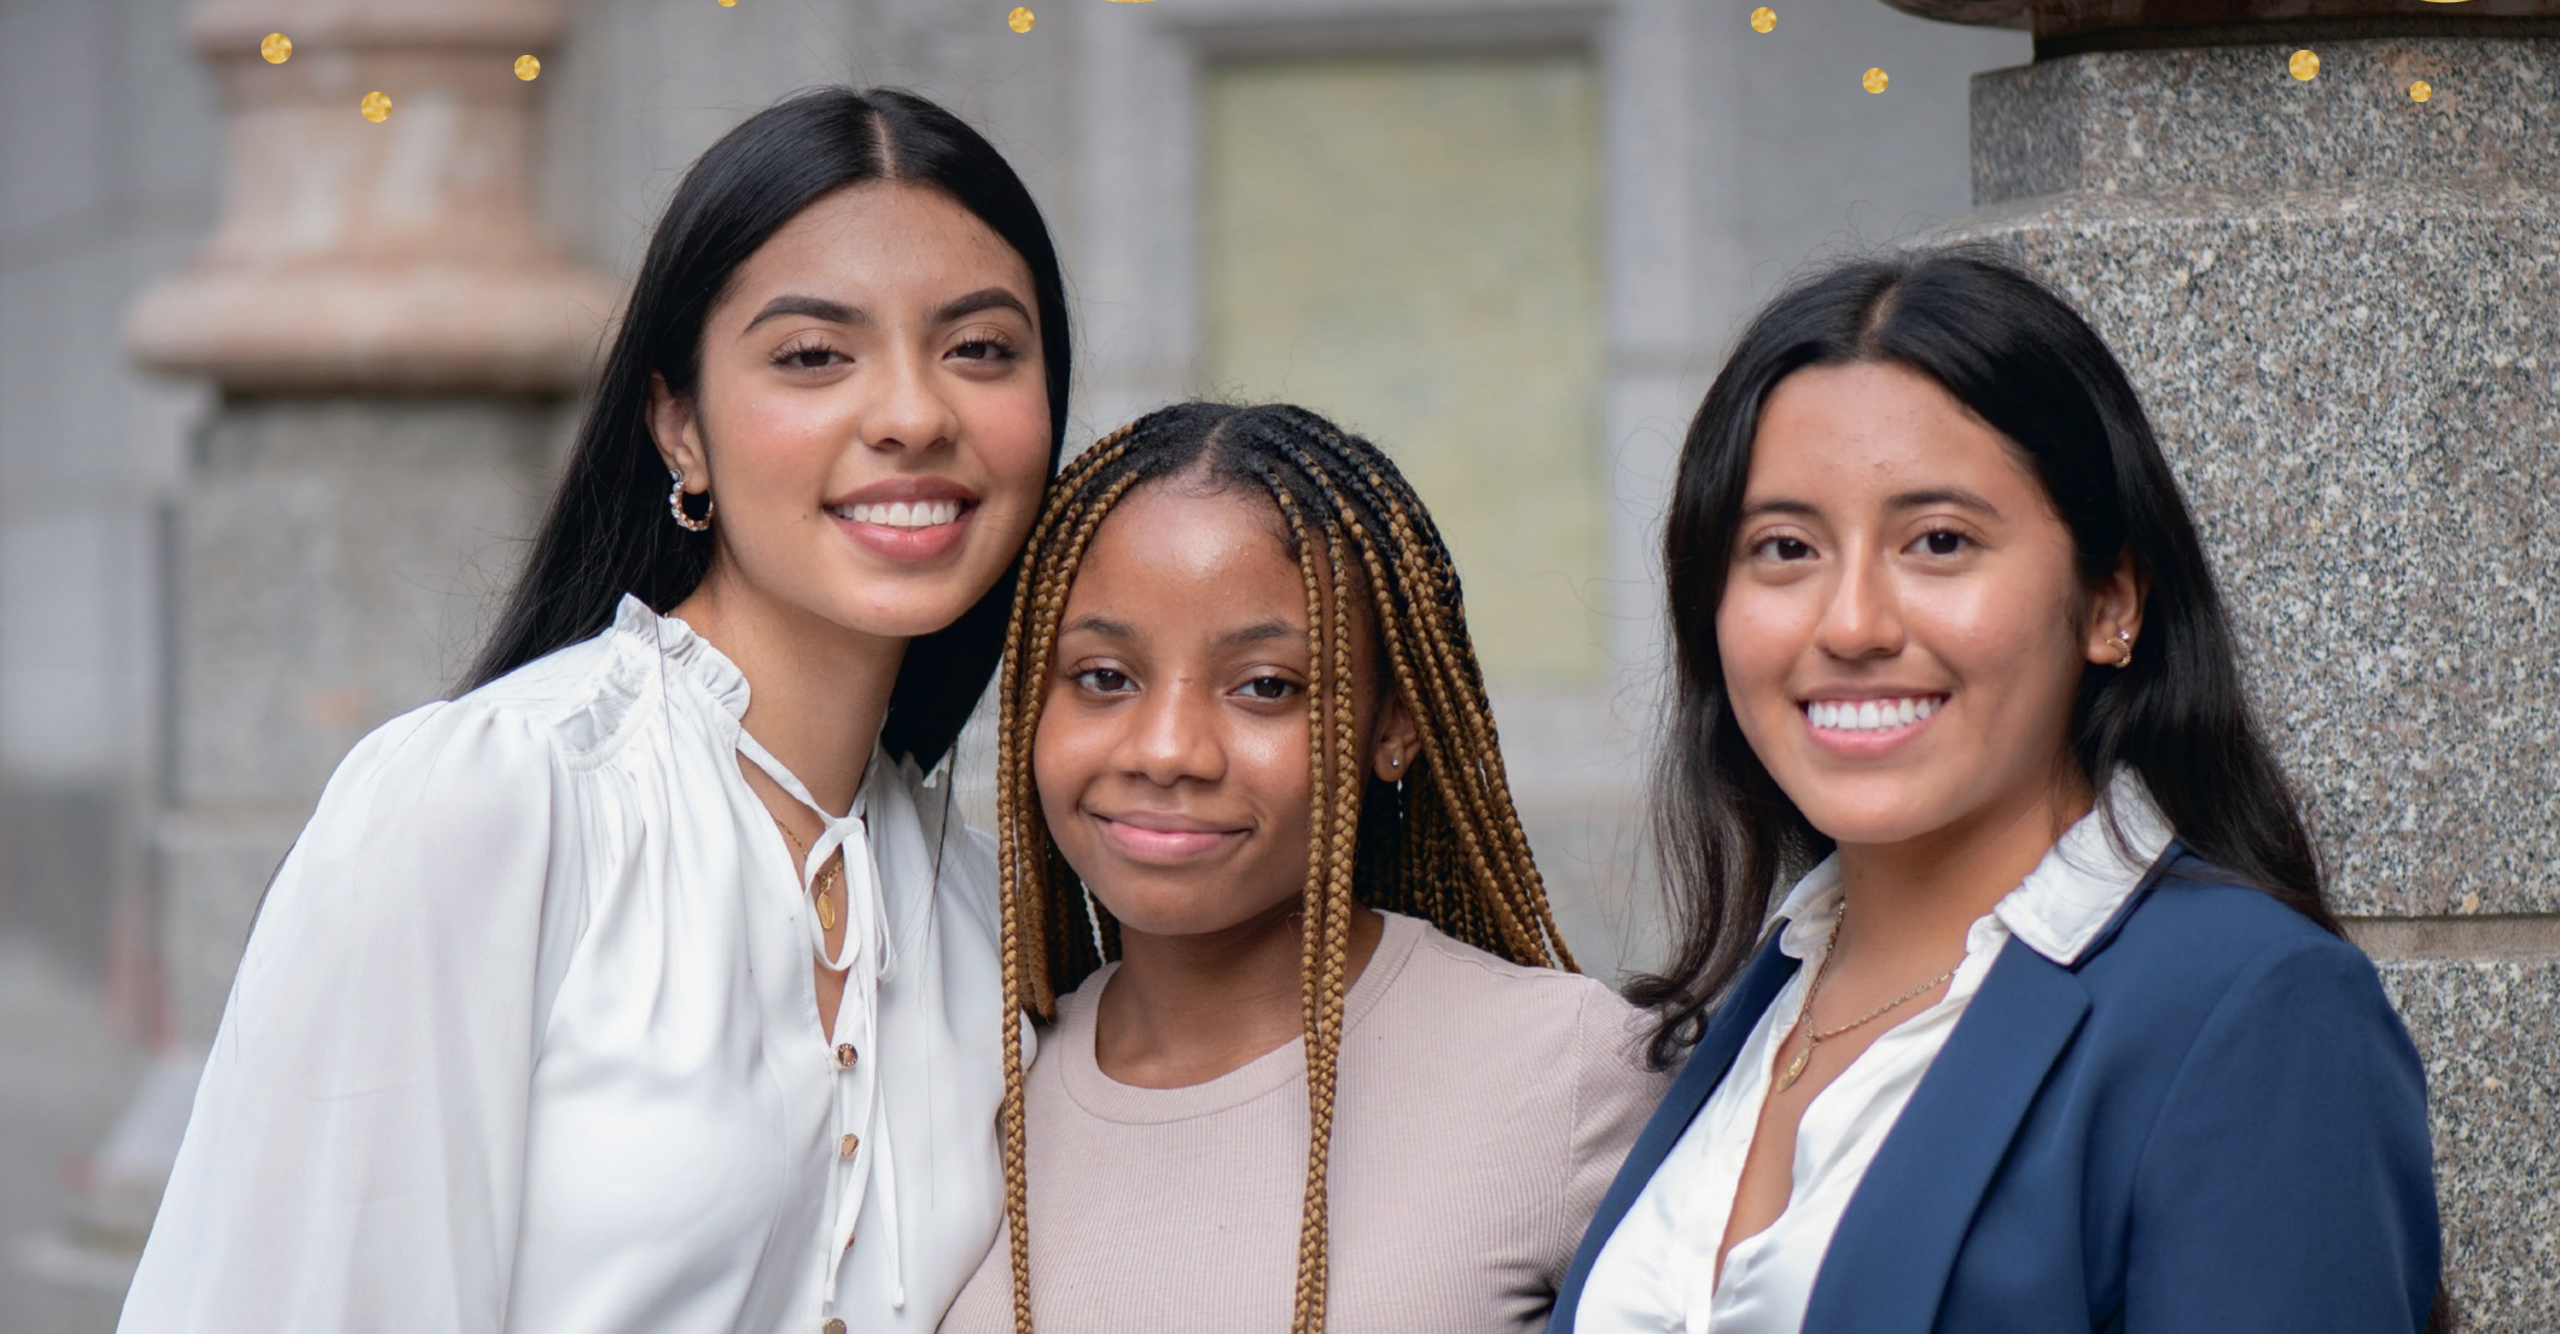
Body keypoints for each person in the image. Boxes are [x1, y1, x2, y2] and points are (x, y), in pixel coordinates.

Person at [120, 86, 1074, 1334]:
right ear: (679, 425)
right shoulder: (492, 801)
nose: (912, 413)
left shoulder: (972, 908)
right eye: (812, 355)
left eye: (981, 348)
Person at [1556, 249, 2441, 1334]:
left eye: (1938, 541)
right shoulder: (1762, 998)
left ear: (2110, 599)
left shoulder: (2250, 1010)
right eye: (1784, 547)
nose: (1850, 624)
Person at [939, 402, 1666, 1334]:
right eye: (1104, 677)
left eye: (1266, 687)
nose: (1166, 750)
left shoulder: (1567, 1074)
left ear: (1392, 723)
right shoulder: (978, 1091)